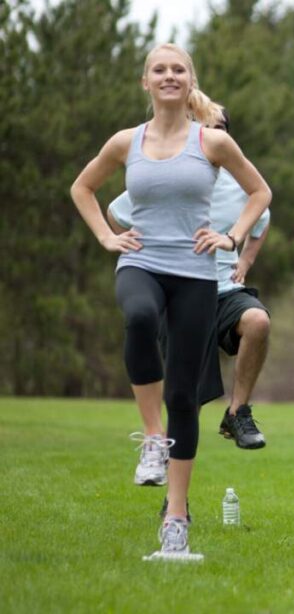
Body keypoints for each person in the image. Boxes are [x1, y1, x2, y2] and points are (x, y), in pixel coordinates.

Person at [70, 43, 271, 559]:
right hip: (141, 262)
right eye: (159, 69)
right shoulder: (125, 142)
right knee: (137, 316)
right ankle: (152, 438)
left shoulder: (213, 143)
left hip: (196, 275)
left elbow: (260, 193)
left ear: (190, 81)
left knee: (185, 395)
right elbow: (83, 188)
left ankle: (176, 520)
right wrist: (106, 237)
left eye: (178, 69)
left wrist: (230, 237)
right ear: (146, 82)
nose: (169, 76)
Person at [107, 108, 271, 462]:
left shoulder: (239, 181)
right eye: (206, 127)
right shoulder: (168, 173)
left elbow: (263, 215)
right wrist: (134, 244)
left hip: (225, 289)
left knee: (258, 321)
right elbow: (115, 212)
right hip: (181, 287)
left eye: (220, 128)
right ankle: (173, 496)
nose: (213, 135)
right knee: (187, 400)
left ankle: (237, 413)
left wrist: (244, 257)